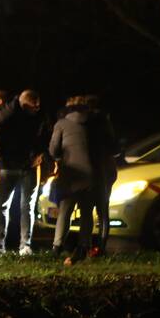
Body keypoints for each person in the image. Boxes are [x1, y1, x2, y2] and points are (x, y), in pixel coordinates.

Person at [0, 89, 45, 255]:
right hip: (16, 164)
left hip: (20, 165)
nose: (37, 109)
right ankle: (15, 245)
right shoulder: (9, 115)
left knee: (8, 206)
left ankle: (6, 245)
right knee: (20, 206)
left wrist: (38, 153)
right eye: (34, 107)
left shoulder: (7, 113)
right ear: (25, 104)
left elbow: (43, 135)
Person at [49, 97, 95, 263]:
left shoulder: (61, 124)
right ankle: (84, 246)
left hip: (71, 174)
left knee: (65, 210)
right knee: (86, 213)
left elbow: (53, 150)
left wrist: (61, 157)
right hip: (90, 173)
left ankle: (57, 246)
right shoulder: (92, 124)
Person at [85, 94, 118, 255]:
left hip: (93, 169)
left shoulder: (86, 123)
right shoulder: (106, 122)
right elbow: (115, 147)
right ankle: (101, 246)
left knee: (88, 209)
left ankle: (88, 245)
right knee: (102, 209)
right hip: (106, 169)